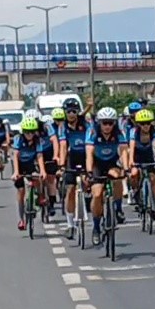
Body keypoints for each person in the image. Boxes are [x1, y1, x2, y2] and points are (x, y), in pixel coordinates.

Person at [85, 107, 128, 246]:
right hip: (97, 164)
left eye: (110, 123)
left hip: (111, 162)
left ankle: (118, 208)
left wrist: (126, 168)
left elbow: (123, 152)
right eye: (104, 123)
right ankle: (96, 227)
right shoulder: (92, 132)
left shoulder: (119, 132)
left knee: (117, 178)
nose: (107, 126)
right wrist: (89, 172)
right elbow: (89, 154)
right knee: (97, 194)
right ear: (99, 123)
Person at [58, 102, 92, 241]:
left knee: (88, 181)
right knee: (70, 189)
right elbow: (63, 146)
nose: (71, 114)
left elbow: (92, 142)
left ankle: (88, 199)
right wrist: (61, 165)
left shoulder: (86, 123)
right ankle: (70, 224)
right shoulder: (63, 127)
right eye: (68, 111)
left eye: (74, 111)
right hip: (71, 158)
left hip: (85, 156)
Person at [11, 117, 48, 231]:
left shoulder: (38, 141)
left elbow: (39, 156)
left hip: (31, 164)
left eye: (32, 132)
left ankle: (40, 195)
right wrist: (16, 172)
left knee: (38, 178)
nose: (29, 134)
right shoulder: (18, 139)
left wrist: (43, 170)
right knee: (21, 191)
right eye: (27, 132)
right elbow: (15, 156)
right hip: (20, 165)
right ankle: (22, 219)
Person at [127, 109, 155, 220]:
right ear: (138, 124)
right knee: (134, 174)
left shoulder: (154, 131)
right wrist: (131, 161)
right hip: (137, 156)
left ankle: (154, 205)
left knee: (152, 179)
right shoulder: (134, 132)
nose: (146, 126)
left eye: (148, 123)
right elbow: (131, 147)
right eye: (142, 124)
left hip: (148, 156)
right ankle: (135, 191)